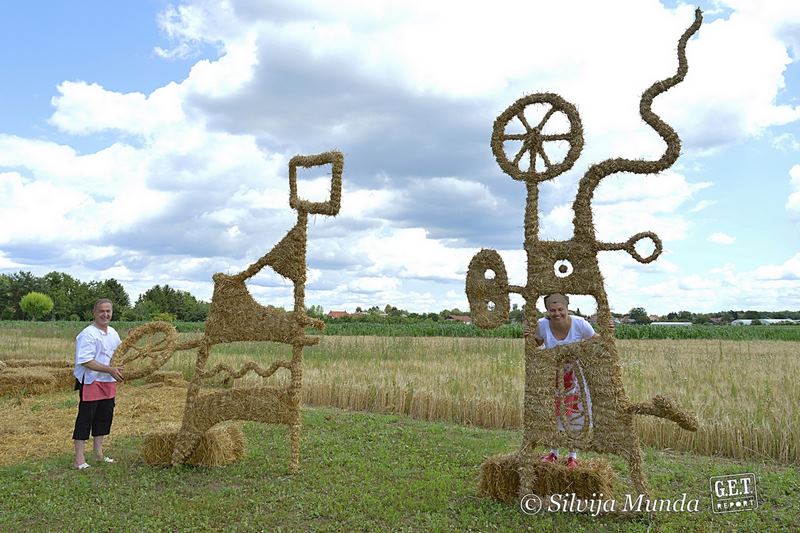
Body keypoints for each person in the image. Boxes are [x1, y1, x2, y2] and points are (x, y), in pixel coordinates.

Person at [523, 293, 600, 470]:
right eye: (552, 310)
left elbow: (597, 340)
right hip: (554, 378)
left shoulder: (580, 324)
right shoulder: (541, 326)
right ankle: (554, 452)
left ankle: (572, 456)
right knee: (554, 414)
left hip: (575, 379)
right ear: (547, 311)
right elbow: (535, 344)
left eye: (560, 309)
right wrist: (528, 336)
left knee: (572, 414)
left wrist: (609, 331)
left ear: (567, 308)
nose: (557, 313)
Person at [72, 298, 124, 470]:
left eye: (108, 311)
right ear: (94, 313)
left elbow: (119, 353)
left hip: (109, 382)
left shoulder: (113, 333)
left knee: (104, 418)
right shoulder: (88, 334)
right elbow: (86, 360)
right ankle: (79, 459)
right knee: (85, 419)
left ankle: (98, 454)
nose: (105, 314)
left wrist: (131, 340)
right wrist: (110, 369)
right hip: (92, 381)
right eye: (102, 311)